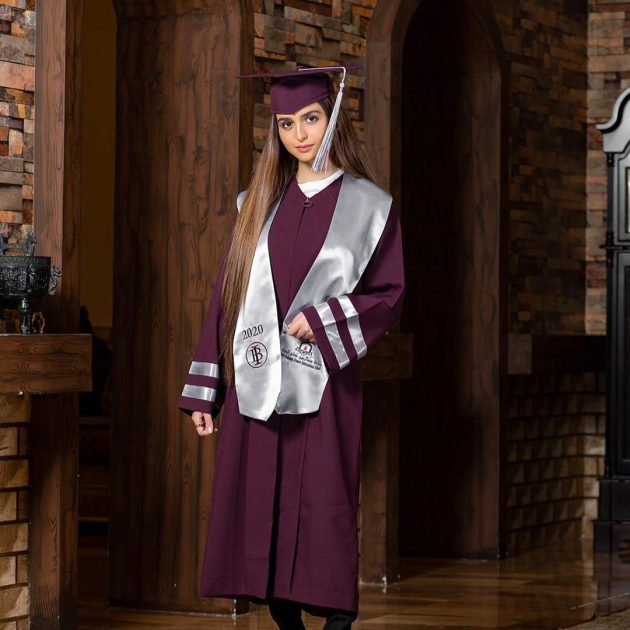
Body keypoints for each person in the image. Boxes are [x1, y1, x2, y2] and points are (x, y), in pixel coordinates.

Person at [179, 64, 405, 630]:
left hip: (323, 381)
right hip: (256, 377)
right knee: (259, 501)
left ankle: (337, 615)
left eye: (310, 118)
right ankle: (283, 614)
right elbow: (226, 295)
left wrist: (325, 319)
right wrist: (207, 390)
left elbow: (389, 295)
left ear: (333, 119)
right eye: (286, 124)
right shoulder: (257, 203)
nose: (300, 134)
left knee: (323, 497)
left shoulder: (370, 207)